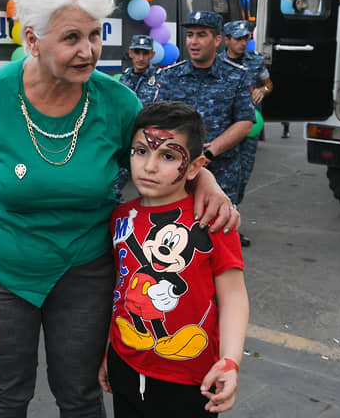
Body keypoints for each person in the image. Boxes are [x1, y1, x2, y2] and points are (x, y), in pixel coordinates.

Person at [0, 0, 240, 418]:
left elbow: (165, 149)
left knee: (79, 393)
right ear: (33, 41)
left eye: (95, 35)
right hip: (2, 268)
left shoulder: (116, 101)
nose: (88, 51)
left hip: (83, 268)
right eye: (72, 38)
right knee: (5, 392)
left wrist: (206, 178)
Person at [100, 101, 249, 417]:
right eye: (141, 151)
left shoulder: (213, 221)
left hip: (191, 380)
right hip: (125, 365)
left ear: (194, 167)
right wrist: (108, 350)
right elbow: (121, 285)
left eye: (167, 156)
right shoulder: (120, 217)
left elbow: (234, 297)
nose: (149, 166)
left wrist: (230, 361)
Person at [141, 11, 254, 247]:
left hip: (221, 171)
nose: (193, 41)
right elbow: (155, 120)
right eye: (190, 35)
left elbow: (245, 121)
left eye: (201, 35)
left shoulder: (237, 76)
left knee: (215, 239)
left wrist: (211, 151)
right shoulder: (170, 75)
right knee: (170, 235)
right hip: (174, 171)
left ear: (217, 40)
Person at [222, 20, 273, 209]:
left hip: (250, 126)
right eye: (237, 39)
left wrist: (263, 90)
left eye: (245, 38)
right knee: (221, 172)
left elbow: (268, 84)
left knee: (243, 172)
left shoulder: (256, 61)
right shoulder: (217, 63)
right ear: (227, 40)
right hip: (223, 125)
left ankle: (232, 211)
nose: (242, 43)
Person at [114, 34, 158, 200]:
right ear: (131, 53)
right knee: (111, 188)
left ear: (152, 55)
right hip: (125, 142)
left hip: (148, 145)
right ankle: (118, 222)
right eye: (137, 52)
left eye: (145, 53)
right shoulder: (123, 78)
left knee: (148, 193)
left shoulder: (161, 79)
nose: (140, 57)